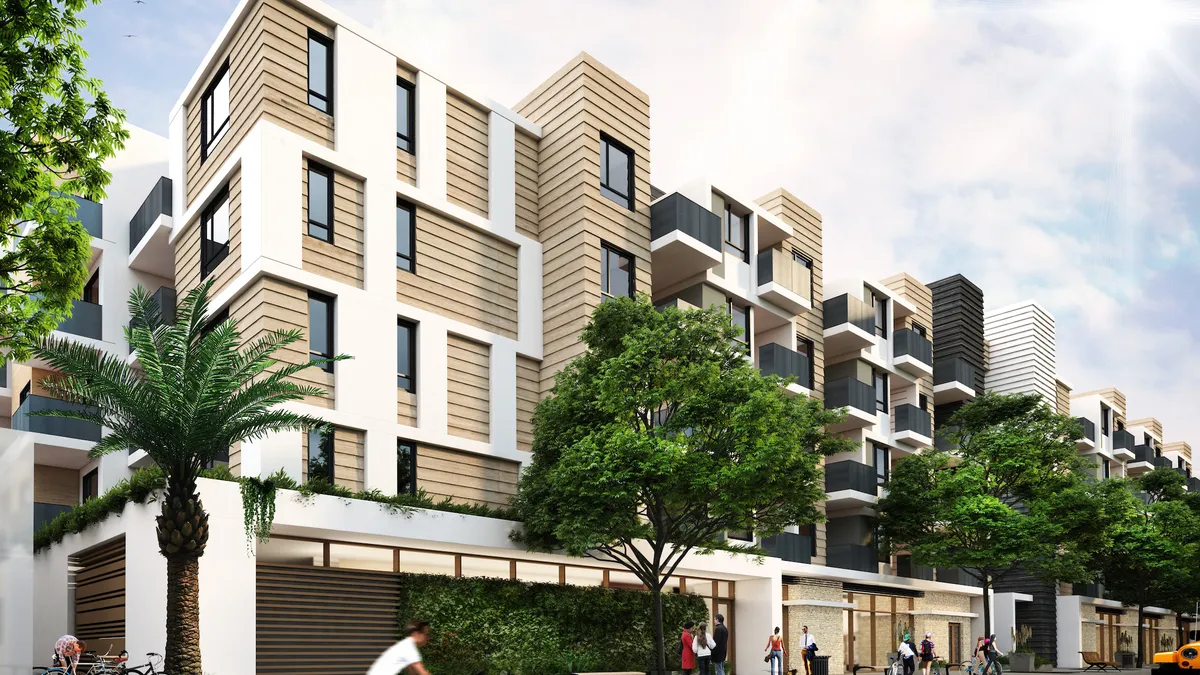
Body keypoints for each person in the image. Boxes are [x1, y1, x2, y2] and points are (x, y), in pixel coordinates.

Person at [367, 620, 432, 675]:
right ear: (416, 634)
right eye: (426, 634)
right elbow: (422, 672)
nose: (428, 637)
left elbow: (412, 671)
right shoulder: (409, 648)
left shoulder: (406, 644)